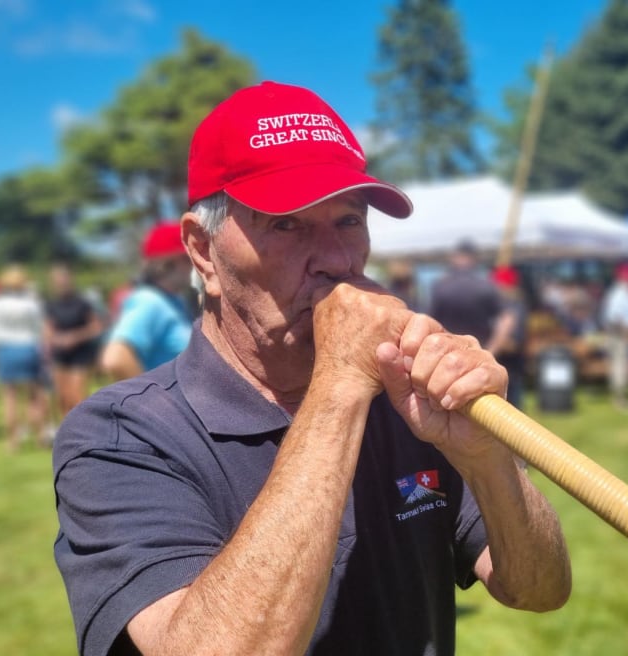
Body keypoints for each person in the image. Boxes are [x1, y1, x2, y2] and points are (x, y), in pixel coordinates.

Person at [53, 81, 571, 656]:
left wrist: (486, 458)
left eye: (349, 221)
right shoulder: (121, 435)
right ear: (203, 251)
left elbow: (539, 590)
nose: (336, 260)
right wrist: (341, 386)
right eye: (286, 224)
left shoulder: (407, 404)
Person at [98, 221, 194, 380]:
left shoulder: (175, 301)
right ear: (168, 263)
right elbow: (116, 358)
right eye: (188, 258)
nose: (195, 264)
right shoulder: (149, 302)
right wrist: (151, 401)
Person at [0, 265, 49, 450]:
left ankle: (12, 442)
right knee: (33, 397)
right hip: (28, 347)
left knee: (9, 398)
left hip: (5, 348)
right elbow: (39, 328)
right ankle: (40, 437)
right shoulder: (31, 303)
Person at [44, 263, 104, 418]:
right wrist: (56, 339)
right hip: (60, 354)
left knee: (77, 397)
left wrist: (75, 337)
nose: (61, 283)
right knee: (62, 398)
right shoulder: (51, 304)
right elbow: (48, 330)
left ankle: (82, 432)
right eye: (57, 280)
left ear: (70, 280)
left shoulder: (82, 303)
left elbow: (96, 327)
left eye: (63, 279)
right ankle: (67, 433)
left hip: (80, 354)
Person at [428, 240, 503, 345]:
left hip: (449, 349)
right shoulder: (486, 285)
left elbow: (431, 319)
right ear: (474, 259)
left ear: (454, 258)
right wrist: (492, 350)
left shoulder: (440, 286)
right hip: (480, 347)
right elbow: (503, 318)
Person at [601, 262, 628, 408]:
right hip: (620, 334)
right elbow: (615, 316)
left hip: (622, 333)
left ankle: (621, 396)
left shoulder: (624, 292)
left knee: (621, 366)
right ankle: (620, 399)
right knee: (620, 366)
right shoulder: (619, 293)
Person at [489, 265, 528, 409]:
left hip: (511, 365)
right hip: (499, 363)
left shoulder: (514, 307)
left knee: (512, 408)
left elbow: (513, 342)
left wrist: (491, 347)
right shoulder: (498, 305)